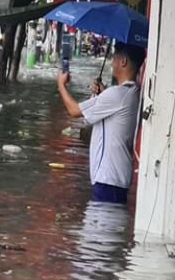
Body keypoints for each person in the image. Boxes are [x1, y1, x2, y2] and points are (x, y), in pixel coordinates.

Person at [56, 42, 145, 204]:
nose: (111, 62)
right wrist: (102, 93)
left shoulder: (116, 94)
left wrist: (61, 85)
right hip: (117, 177)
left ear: (123, 61)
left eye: (114, 58)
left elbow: (74, 111)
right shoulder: (132, 93)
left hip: (108, 180)